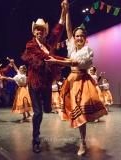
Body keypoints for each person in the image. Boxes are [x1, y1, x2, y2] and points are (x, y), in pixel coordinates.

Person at [45, 5, 108, 156]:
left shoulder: (87, 51)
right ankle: (82, 141)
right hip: (72, 81)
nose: (78, 38)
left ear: (85, 39)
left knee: (81, 113)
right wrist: (66, 11)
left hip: (83, 82)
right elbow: (68, 28)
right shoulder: (73, 49)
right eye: (77, 36)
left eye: (81, 36)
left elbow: (73, 63)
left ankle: (82, 142)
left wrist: (56, 61)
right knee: (74, 111)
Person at [21, 1, 67, 153]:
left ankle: (45, 109)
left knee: (46, 109)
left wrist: (63, 11)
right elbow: (46, 57)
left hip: (46, 83)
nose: (39, 32)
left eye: (42, 30)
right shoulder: (30, 45)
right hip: (34, 83)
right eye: (37, 30)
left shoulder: (48, 44)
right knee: (38, 112)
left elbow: (58, 31)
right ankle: (36, 139)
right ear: (34, 32)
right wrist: (68, 62)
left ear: (45, 32)